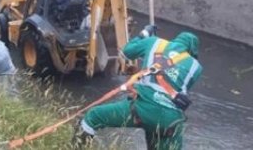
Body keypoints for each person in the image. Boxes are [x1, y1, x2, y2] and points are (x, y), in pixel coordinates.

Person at [74, 26, 202, 150]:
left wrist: (144, 35)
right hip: (170, 121)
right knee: (159, 136)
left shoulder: (155, 42)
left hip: (142, 109)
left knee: (93, 116)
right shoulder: (196, 67)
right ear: (191, 51)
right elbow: (178, 87)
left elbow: (126, 52)